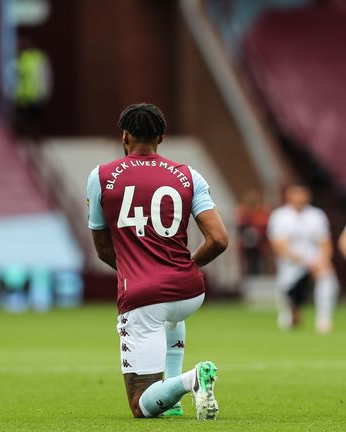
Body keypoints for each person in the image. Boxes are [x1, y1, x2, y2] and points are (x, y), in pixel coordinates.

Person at [86, 104, 228, 420]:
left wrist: (136, 272)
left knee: (141, 405)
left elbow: (102, 247)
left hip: (143, 298)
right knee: (172, 314)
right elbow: (219, 239)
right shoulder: (189, 175)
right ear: (161, 138)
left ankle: (190, 379)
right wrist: (187, 264)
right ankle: (175, 402)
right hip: (190, 292)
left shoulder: (101, 177)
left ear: (124, 136)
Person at [268, 182, 338, 333]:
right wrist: (302, 260)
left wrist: (323, 261)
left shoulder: (317, 215)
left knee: (327, 279)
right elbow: (279, 244)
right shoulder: (280, 216)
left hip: (315, 259)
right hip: (291, 262)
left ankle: (324, 319)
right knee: (287, 289)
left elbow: (325, 242)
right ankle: (289, 316)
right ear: (289, 196)